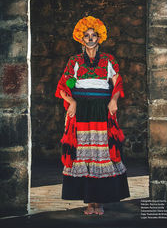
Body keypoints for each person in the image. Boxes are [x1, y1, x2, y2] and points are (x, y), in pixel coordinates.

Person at [55, 16, 130, 215]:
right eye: (86, 36)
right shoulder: (74, 61)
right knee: (83, 153)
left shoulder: (108, 60)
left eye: (93, 35)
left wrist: (113, 100)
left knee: (101, 153)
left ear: (99, 37)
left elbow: (118, 83)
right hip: (81, 111)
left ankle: (100, 202)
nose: (90, 39)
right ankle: (89, 203)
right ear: (81, 39)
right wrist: (72, 102)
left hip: (101, 109)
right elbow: (63, 87)